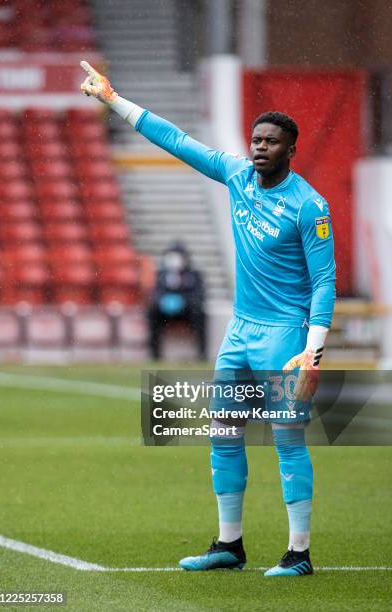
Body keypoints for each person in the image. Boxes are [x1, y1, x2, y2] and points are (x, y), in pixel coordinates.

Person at [80, 61, 335, 577]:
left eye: (271, 142)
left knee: (287, 440)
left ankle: (299, 553)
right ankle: (229, 545)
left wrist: (313, 348)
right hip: (239, 333)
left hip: (285, 337)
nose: (259, 147)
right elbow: (176, 139)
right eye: (256, 139)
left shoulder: (311, 206)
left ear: (291, 149)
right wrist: (113, 98)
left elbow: (325, 281)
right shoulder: (237, 175)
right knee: (223, 431)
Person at [148, 241, 206, 360]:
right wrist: (162, 301)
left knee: (199, 314)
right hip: (165, 313)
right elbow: (155, 293)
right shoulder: (161, 275)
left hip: (186, 312)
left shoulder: (194, 275)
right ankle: (155, 355)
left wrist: (184, 301)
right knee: (152, 312)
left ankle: (201, 354)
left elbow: (199, 295)